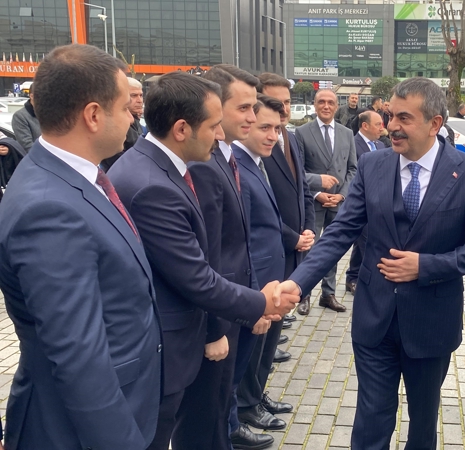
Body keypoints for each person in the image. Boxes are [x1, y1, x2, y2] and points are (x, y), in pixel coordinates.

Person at [273, 77, 465, 449]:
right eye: (390, 115)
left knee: (423, 420)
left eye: (404, 118)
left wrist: (426, 266)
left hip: (430, 322)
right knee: (372, 418)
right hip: (374, 317)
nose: (391, 125)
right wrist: (298, 283)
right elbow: (341, 231)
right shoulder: (373, 165)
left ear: (434, 123)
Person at [108, 71, 297, 450]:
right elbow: (197, 273)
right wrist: (258, 304)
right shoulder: (155, 185)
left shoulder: (161, 167)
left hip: (195, 325)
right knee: (194, 429)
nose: (221, 133)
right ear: (182, 128)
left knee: (209, 422)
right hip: (175, 339)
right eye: (214, 125)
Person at [0, 43, 162, 449]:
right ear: (93, 115)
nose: (133, 117)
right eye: (125, 107)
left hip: (118, 404)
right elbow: (78, 356)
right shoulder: (48, 208)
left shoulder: (73, 177)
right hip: (81, 429)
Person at [170, 64, 273, 450]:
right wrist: (215, 329)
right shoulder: (202, 163)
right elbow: (205, 256)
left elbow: (237, 241)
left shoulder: (224, 156)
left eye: (254, 108)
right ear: (213, 105)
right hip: (218, 313)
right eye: (243, 108)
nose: (252, 117)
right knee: (206, 415)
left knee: (221, 403)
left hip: (236, 306)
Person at [232, 94, 294, 449]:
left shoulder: (256, 162)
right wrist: (256, 295)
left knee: (263, 351)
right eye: (265, 127)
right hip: (255, 284)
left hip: (272, 278)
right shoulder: (237, 166)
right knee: (249, 352)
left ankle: (255, 396)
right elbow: (241, 239)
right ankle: (244, 408)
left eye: (277, 128)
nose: (273, 136)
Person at [258, 73, 316, 316]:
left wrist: (309, 228)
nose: (283, 108)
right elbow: (259, 208)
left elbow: (302, 188)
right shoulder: (257, 144)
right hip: (272, 250)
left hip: (295, 248)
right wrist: (292, 238)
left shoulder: (290, 137)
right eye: (276, 102)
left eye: (287, 102)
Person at [295, 89, 357, 313]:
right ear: (315, 105)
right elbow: (298, 171)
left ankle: (328, 294)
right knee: (309, 249)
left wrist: (342, 195)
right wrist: (317, 193)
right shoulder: (301, 132)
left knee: (333, 250)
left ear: (337, 106)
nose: (326, 106)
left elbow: (353, 169)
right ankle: (304, 293)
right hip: (313, 203)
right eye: (321, 102)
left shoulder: (346, 133)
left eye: (331, 102)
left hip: (338, 202)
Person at [345, 110, 386, 295]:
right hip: (362, 202)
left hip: (380, 202)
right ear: (365, 126)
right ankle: (364, 280)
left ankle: (352, 277)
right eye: (378, 124)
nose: (382, 128)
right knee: (367, 242)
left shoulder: (380, 145)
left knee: (361, 242)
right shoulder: (352, 144)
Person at [100, 77, 145, 170]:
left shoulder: (136, 121)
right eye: (134, 95)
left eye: (141, 95)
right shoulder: (113, 123)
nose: (139, 100)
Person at [10, 83, 40, 155]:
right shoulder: (20, 116)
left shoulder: (49, 114)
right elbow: (27, 146)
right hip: (37, 159)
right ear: (32, 96)